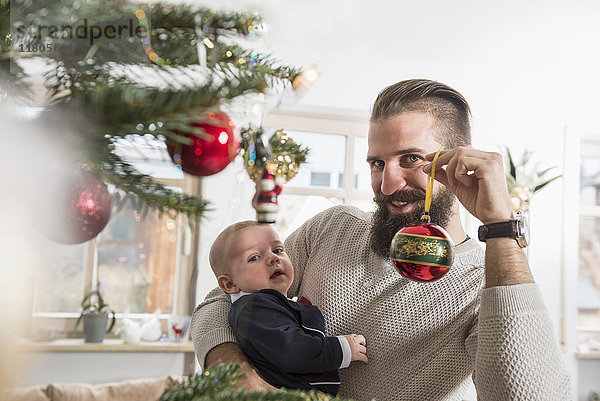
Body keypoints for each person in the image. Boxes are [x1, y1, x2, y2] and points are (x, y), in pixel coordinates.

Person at [191, 79, 572, 400]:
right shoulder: (332, 228)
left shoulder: (487, 279)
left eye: (411, 159)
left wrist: (501, 226)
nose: (387, 184)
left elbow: (530, 395)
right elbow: (219, 300)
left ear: (457, 160)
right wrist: (234, 371)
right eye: (377, 163)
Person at [208, 220, 368, 395]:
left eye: (277, 250)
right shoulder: (252, 310)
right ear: (229, 284)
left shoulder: (271, 304)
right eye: (254, 257)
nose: (273, 258)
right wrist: (343, 348)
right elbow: (292, 351)